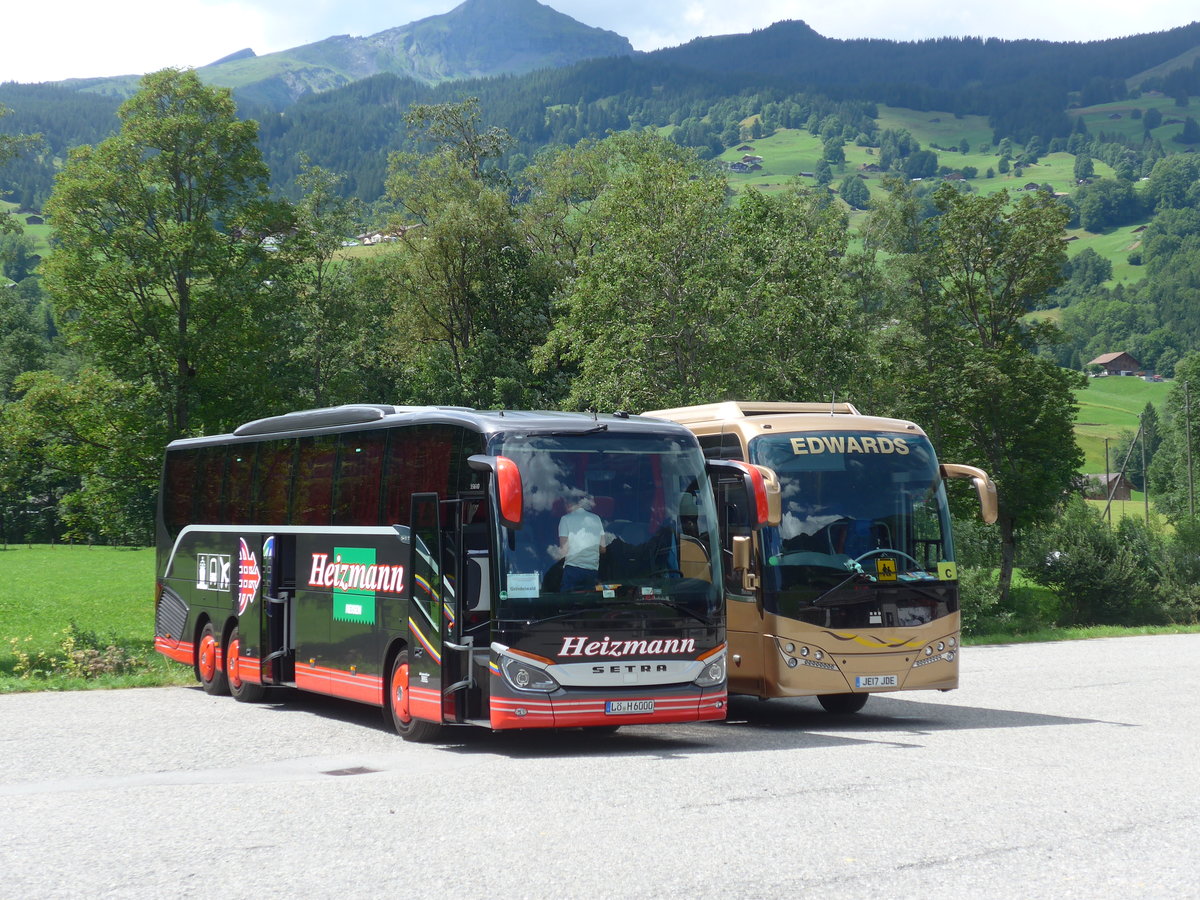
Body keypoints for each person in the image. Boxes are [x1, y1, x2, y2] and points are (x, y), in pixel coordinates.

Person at [558, 494, 605, 592]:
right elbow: (603, 549)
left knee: (567, 602)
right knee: (589, 604)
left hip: (572, 570)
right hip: (592, 571)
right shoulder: (596, 519)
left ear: (568, 504)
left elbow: (564, 551)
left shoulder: (565, 519)